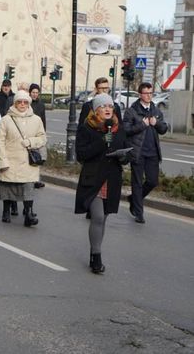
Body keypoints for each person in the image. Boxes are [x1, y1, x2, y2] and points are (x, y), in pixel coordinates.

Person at [75, 93, 129, 274]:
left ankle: (94, 250)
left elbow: (127, 151)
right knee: (97, 216)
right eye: (103, 107)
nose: (108, 109)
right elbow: (81, 155)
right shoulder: (86, 129)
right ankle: (96, 257)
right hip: (93, 178)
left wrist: (124, 156)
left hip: (112, 178)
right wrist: (102, 142)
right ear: (96, 110)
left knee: (104, 218)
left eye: (110, 107)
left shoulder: (118, 129)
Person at [0, 90, 46, 227]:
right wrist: (2, 160)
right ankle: (6, 211)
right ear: (15, 103)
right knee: (8, 186)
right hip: (10, 159)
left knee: (28, 187)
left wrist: (31, 142)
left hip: (28, 162)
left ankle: (29, 213)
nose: (22, 104)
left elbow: (42, 138)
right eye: (19, 102)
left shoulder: (36, 120)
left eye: (25, 102)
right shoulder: (6, 119)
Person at [123, 83, 168, 224]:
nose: (149, 95)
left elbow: (164, 129)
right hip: (138, 152)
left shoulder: (156, 110)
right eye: (146, 93)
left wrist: (157, 124)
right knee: (136, 182)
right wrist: (141, 125)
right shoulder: (132, 111)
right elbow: (126, 130)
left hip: (153, 152)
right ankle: (138, 213)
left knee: (152, 181)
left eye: (151, 93)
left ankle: (134, 199)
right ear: (140, 94)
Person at [29, 83, 47, 190]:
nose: (35, 94)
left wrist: (43, 133)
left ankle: (36, 180)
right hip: (27, 133)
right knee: (28, 158)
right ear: (29, 93)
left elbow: (43, 120)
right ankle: (29, 179)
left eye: (37, 92)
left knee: (37, 158)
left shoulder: (41, 105)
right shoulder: (26, 103)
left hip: (38, 134)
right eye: (33, 92)